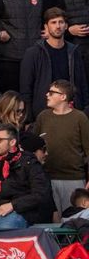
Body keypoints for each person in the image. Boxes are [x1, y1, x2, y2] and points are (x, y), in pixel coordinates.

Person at [0, 125, 54, 229]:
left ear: (12, 142)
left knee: (4, 231)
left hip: (19, 214)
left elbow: (40, 194)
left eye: (0, 140)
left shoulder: (29, 163)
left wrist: (12, 205)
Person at [21, 8, 88, 120]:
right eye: (53, 22)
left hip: (72, 111)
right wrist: (28, 119)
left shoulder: (74, 51)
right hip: (44, 112)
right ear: (46, 27)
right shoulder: (33, 53)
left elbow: (82, 83)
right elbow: (26, 89)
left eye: (61, 22)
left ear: (66, 26)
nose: (58, 26)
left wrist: (85, 111)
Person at [35, 79, 89, 213]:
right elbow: (35, 146)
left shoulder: (80, 118)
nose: (47, 95)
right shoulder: (43, 117)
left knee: (73, 220)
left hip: (73, 178)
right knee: (50, 222)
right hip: (47, 177)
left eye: (52, 92)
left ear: (63, 97)